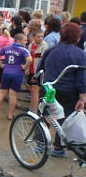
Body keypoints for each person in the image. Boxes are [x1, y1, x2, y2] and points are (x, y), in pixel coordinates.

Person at [37, 22, 86, 157]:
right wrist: (83, 97)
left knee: (44, 115)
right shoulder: (80, 54)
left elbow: (40, 69)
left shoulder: (51, 50)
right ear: (77, 37)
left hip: (49, 88)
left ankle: (40, 144)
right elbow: (81, 78)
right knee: (63, 119)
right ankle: (58, 148)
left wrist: (36, 82)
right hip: (69, 92)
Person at [0, 33, 32, 120]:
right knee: (13, 95)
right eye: (24, 40)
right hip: (17, 73)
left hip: (6, 72)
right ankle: (10, 115)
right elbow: (29, 59)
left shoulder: (6, 48)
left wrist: (1, 65)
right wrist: (25, 67)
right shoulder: (23, 50)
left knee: (2, 92)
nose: (26, 42)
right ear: (18, 40)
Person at [27, 31, 48, 112]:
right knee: (31, 90)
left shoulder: (44, 46)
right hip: (31, 70)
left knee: (35, 90)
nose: (40, 38)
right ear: (34, 37)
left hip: (39, 72)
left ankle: (34, 110)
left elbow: (43, 60)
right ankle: (32, 107)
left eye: (42, 37)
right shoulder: (31, 45)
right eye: (38, 37)